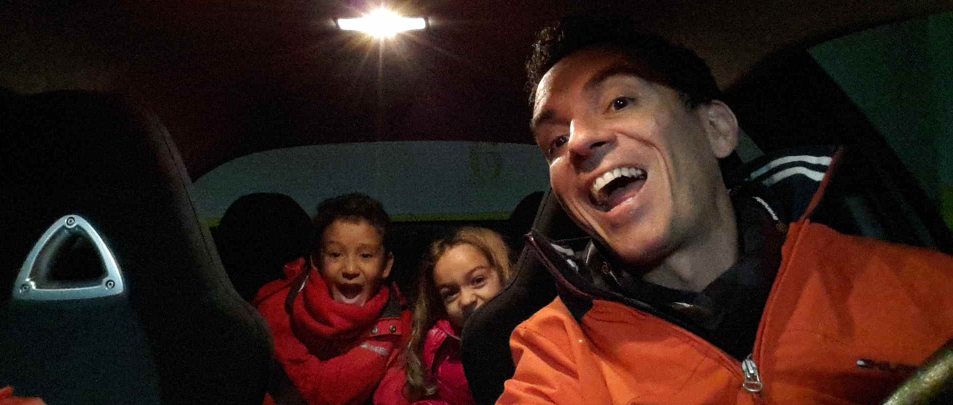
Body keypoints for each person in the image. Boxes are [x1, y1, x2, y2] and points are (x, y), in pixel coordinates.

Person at [496, 14, 953, 405]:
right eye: (556, 140)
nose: (578, 143)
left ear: (716, 128)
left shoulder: (916, 289)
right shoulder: (556, 358)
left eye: (619, 102)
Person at [253, 193, 412, 405]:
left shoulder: (403, 328)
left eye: (366, 255)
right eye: (335, 254)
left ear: (386, 265)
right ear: (316, 261)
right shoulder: (274, 312)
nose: (350, 269)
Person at [376, 227, 514, 405]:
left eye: (478, 281)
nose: (466, 300)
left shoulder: (534, 335)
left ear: (504, 274)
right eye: (450, 293)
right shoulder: (439, 348)